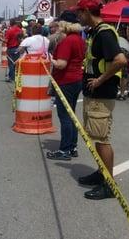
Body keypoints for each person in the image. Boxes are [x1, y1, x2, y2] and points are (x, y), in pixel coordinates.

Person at [75, 0, 128, 200]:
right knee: (96, 137)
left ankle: (109, 184)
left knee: (102, 139)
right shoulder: (95, 32)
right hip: (93, 94)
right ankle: (101, 173)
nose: (78, 16)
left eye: (79, 12)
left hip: (101, 94)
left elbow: (120, 60)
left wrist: (99, 80)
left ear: (87, 12)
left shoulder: (104, 33)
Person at [46, 11, 85, 161]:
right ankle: (72, 146)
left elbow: (61, 64)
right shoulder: (79, 40)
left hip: (65, 81)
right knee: (71, 114)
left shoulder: (67, 41)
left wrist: (51, 60)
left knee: (65, 116)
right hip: (76, 80)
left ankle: (65, 149)